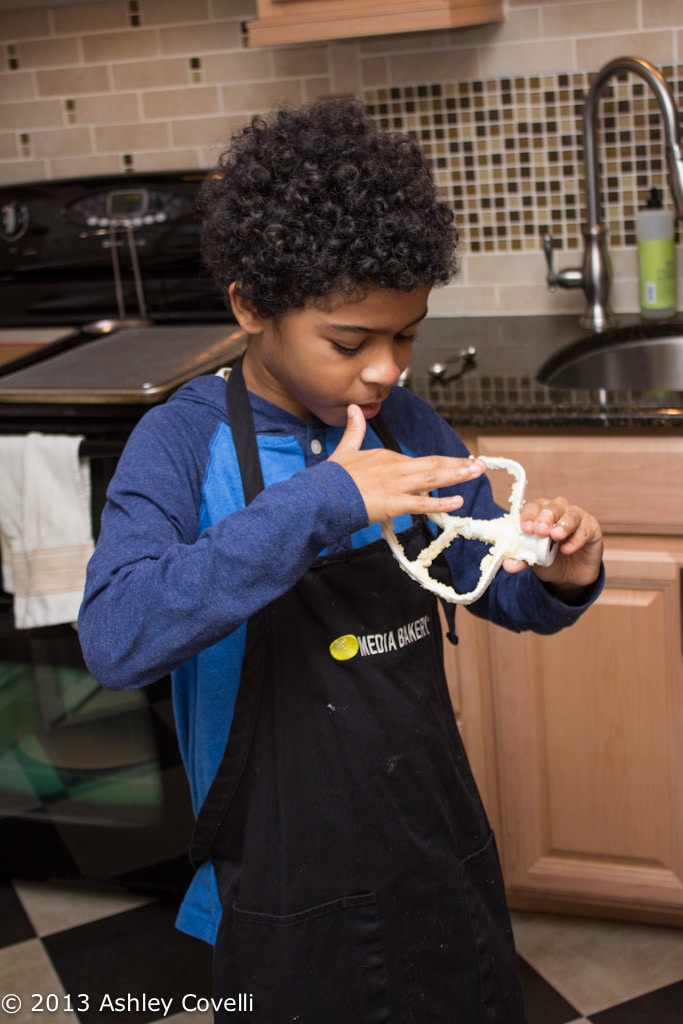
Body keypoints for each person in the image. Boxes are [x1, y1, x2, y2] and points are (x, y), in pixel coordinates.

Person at [78, 97, 604, 1024]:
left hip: (437, 839)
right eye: (349, 343)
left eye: (406, 335)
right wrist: (322, 503)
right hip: (284, 873)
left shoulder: (405, 422)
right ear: (251, 305)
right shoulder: (181, 444)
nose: (384, 372)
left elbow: (490, 581)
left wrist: (557, 572)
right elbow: (118, 637)